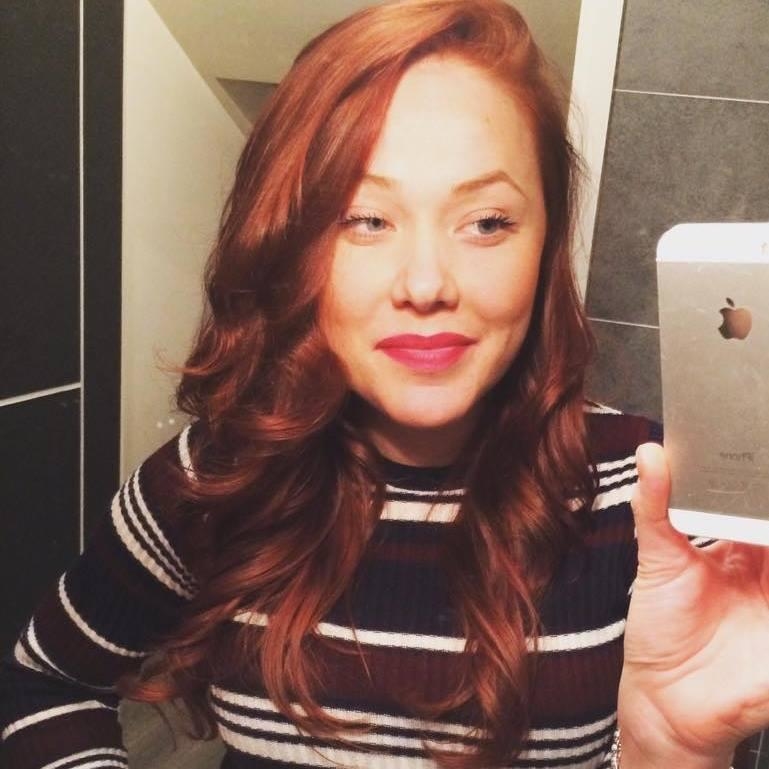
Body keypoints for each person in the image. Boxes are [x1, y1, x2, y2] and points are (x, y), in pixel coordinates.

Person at [1, 1, 768, 767]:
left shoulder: (654, 500)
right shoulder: (214, 477)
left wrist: (669, 751)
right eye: (364, 219)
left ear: (545, 244)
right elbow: (44, 683)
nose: (426, 283)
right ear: (294, 242)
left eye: (486, 222)